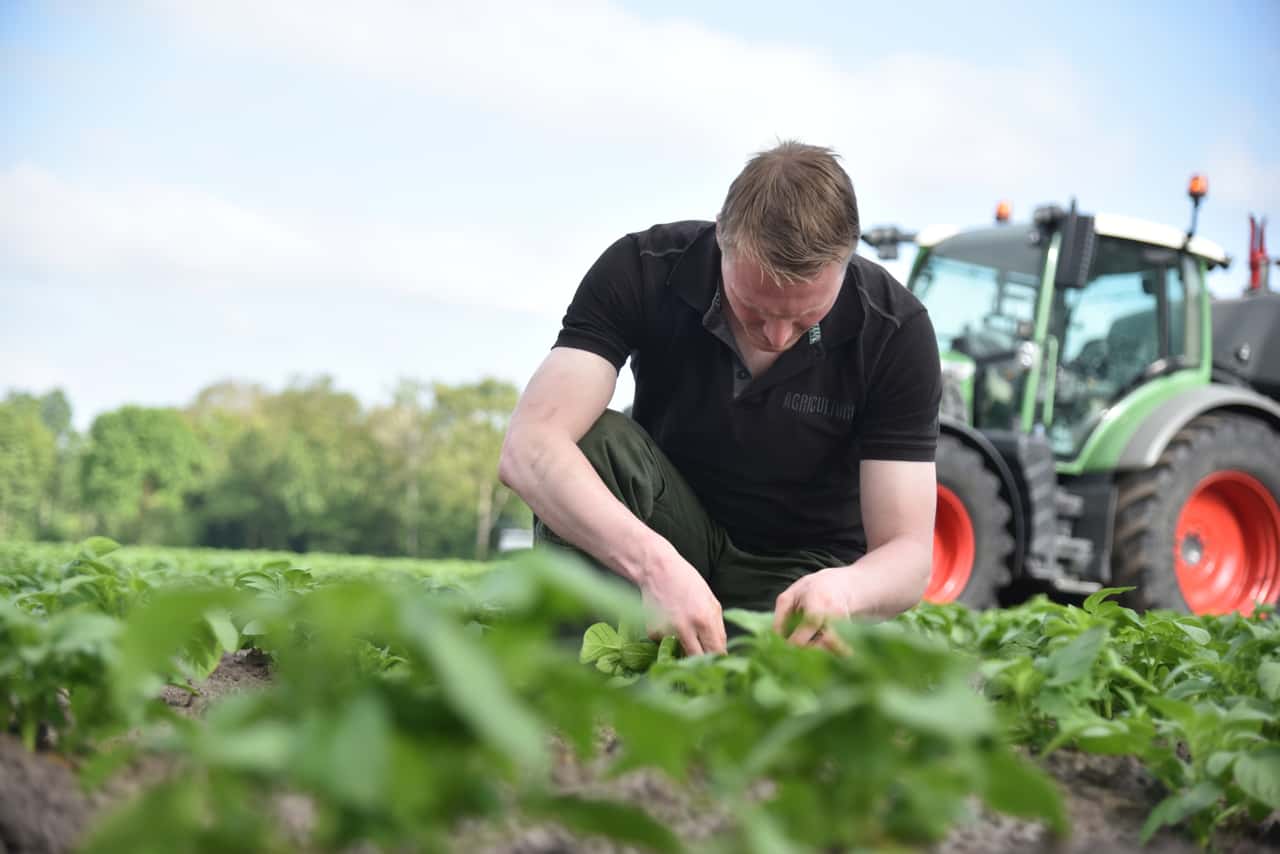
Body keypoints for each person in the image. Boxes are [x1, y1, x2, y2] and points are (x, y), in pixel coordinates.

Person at [498, 141, 942, 656]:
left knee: (768, 700)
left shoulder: (895, 331)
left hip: (801, 576)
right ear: (722, 242)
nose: (777, 336)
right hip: (671, 533)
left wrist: (845, 590)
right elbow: (530, 445)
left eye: (805, 318)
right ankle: (569, 666)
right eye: (754, 309)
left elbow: (908, 553)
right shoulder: (643, 268)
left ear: (846, 264)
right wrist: (654, 565)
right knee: (594, 437)